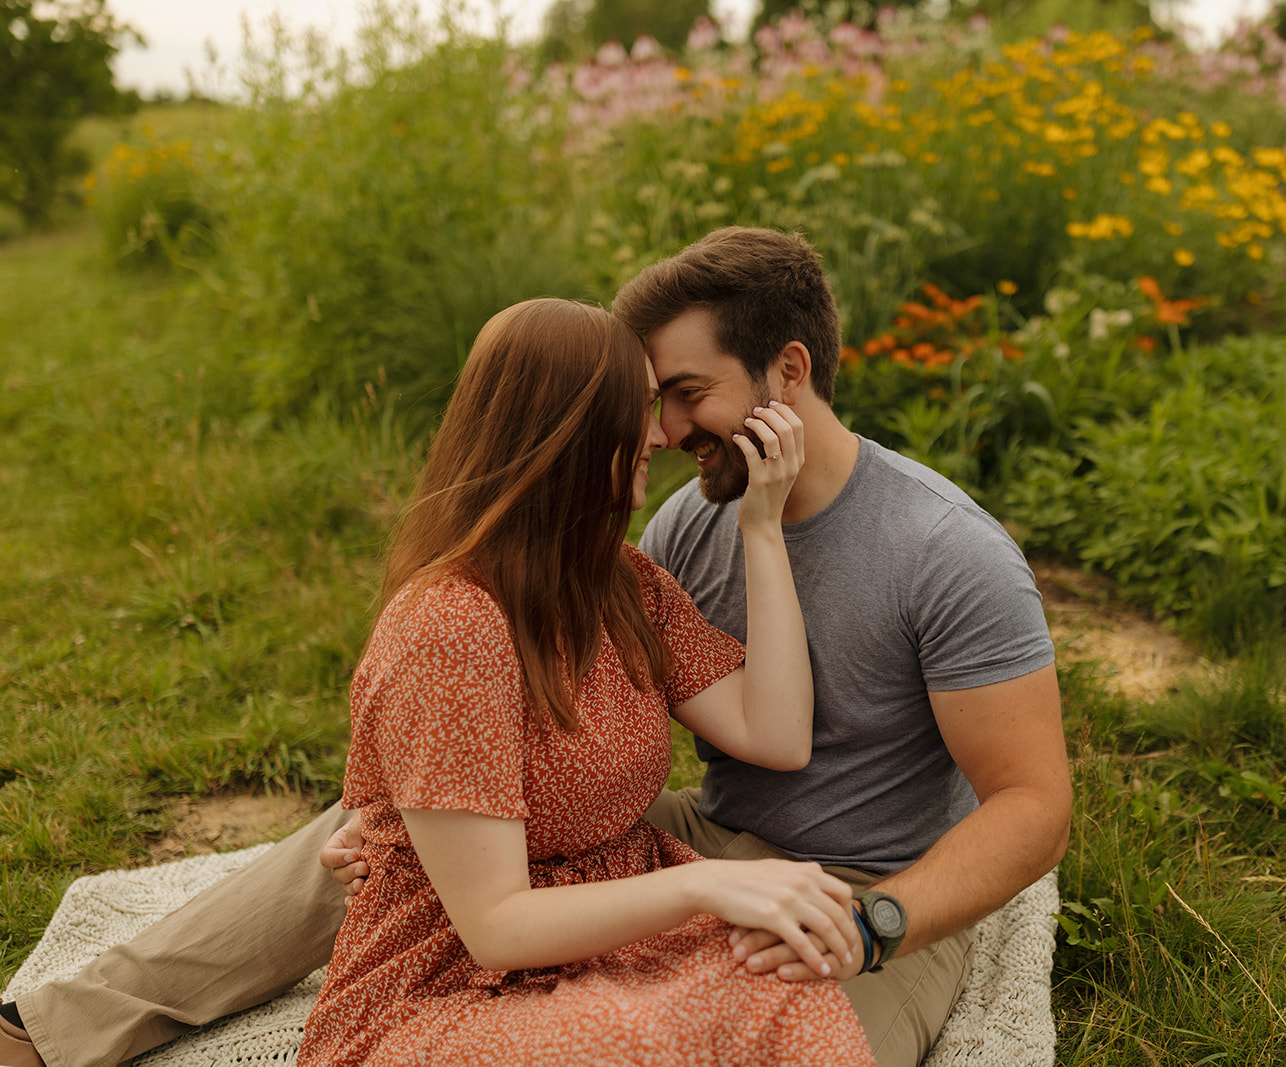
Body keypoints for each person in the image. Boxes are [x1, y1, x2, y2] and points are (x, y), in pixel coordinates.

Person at [0, 230, 1071, 1067]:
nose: (657, 433)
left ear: (786, 373)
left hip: (862, 876)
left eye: (684, 395)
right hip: (703, 832)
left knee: (782, 1031)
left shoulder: (942, 551)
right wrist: (404, 811)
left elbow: (1032, 802)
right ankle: (55, 1025)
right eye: (641, 405)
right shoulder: (682, 523)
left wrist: (882, 919)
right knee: (387, 832)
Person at [294, 297, 873, 1066]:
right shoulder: (447, 628)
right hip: (448, 982)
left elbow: (777, 733)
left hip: (618, 932)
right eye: (638, 409)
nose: (664, 434)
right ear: (565, 429)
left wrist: (761, 528)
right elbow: (496, 923)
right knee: (629, 1044)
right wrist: (710, 888)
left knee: (788, 991)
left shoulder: (625, 585)